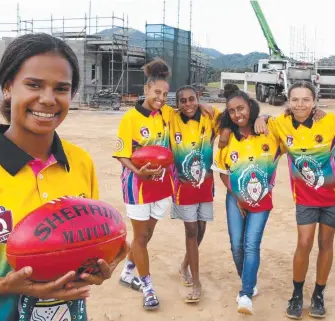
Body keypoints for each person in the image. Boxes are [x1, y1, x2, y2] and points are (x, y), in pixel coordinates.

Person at [0, 33, 128, 321]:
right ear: (7, 87)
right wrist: (6, 284)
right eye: (33, 85)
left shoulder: (80, 163)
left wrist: (95, 268)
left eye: (61, 88)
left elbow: (80, 255)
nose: (48, 99)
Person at [251, 81, 335, 319]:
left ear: (314, 102)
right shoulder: (280, 123)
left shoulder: (332, 121)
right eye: (295, 100)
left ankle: (318, 295)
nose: (300, 104)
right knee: (304, 243)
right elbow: (264, 122)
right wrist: (263, 114)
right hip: (305, 197)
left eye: (306, 100)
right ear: (288, 102)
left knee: (325, 243)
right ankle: (297, 294)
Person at [211, 84, 284, 315]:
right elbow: (223, 172)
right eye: (231, 111)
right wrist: (238, 198)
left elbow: (290, 118)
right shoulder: (227, 139)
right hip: (235, 199)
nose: (237, 114)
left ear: (250, 107)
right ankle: (249, 282)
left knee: (252, 244)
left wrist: (265, 115)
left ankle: (245, 293)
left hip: (261, 200)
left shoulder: (269, 133)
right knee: (236, 245)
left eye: (241, 108)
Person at [113, 58, 175, 311]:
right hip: (137, 185)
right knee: (140, 236)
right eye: (157, 92)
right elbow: (121, 154)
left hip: (161, 186)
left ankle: (128, 272)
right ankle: (147, 286)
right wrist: (139, 171)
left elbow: (190, 112)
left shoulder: (168, 114)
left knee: (146, 235)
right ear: (146, 90)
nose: (161, 98)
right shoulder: (130, 118)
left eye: (165, 94)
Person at [164, 85, 220, 304]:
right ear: (176, 103)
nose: (188, 104)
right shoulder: (171, 118)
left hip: (205, 184)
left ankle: (184, 265)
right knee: (191, 230)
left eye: (192, 99)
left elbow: (239, 114)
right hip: (182, 186)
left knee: (202, 229)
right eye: (183, 100)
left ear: (198, 99)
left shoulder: (210, 117)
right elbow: (150, 106)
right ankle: (196, 282)